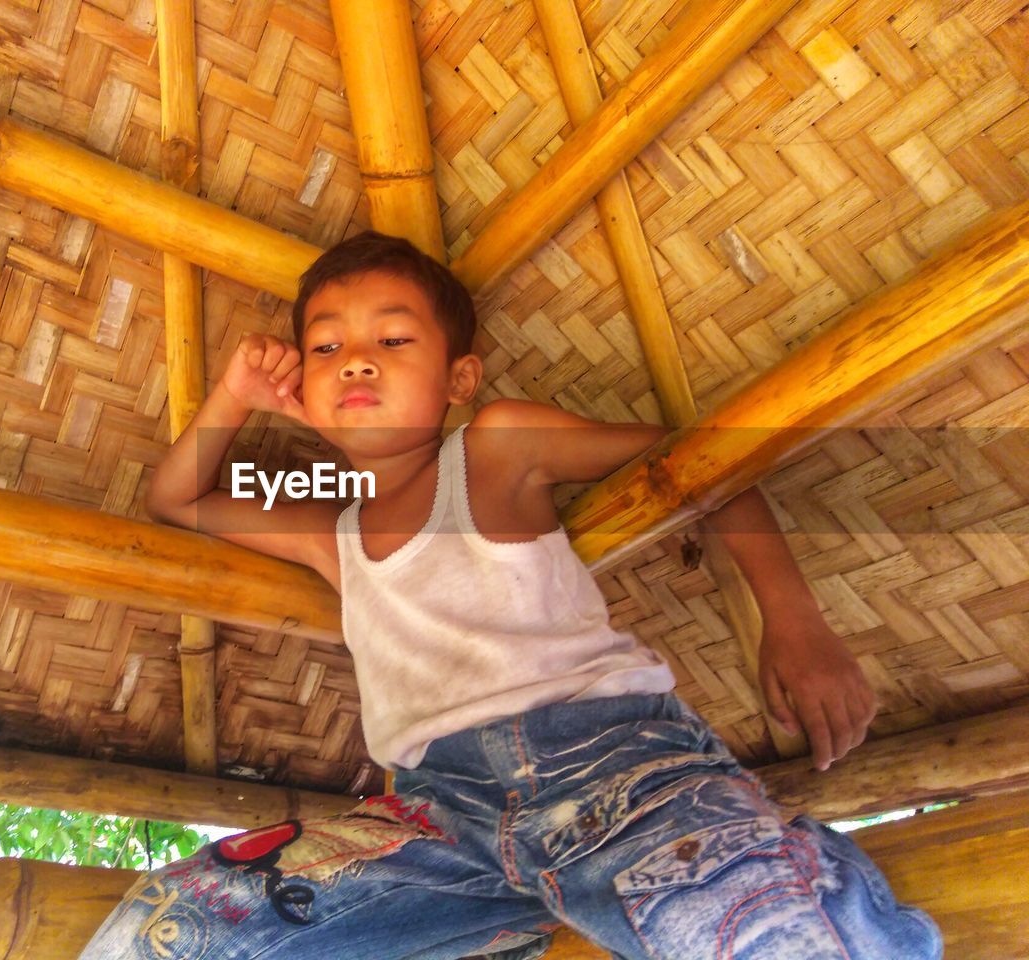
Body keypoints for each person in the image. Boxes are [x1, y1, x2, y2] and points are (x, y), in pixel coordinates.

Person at [78, 232, 942, 960]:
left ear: (458, 381)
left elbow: (702, 469)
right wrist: (235, 394)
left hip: (610, 772)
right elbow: (179, 497)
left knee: (756, 934)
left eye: (393, 341)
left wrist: (795, 624)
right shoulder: (327, 530)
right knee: (173, 929)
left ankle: (784, 869)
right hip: (430, 821)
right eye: (327, 348)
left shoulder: (494, 451)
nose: (358, 363)